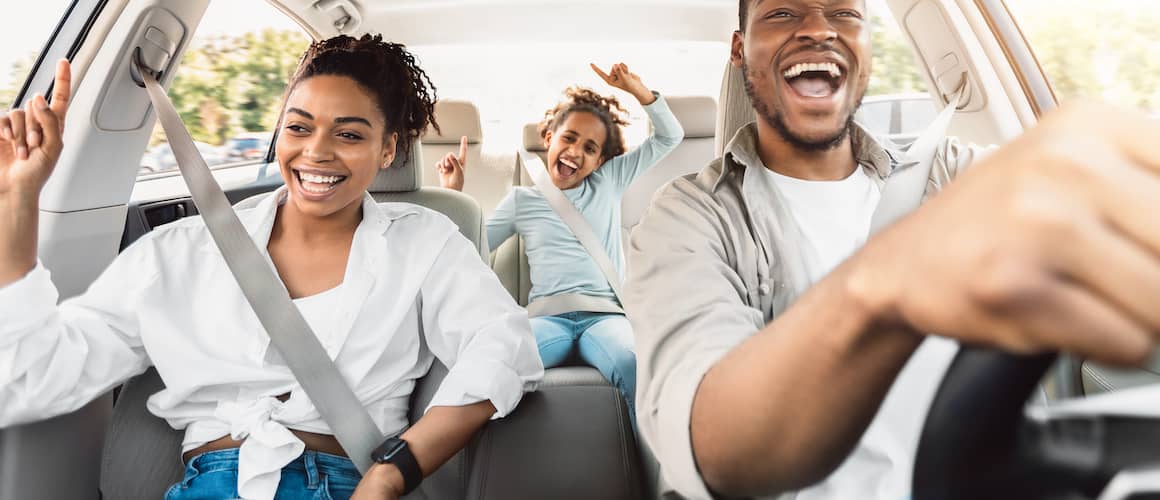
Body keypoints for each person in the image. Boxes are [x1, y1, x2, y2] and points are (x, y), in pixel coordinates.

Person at [625, 1, 1160, 499]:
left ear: (866, 44)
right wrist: (885, 283)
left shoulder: (954, 172)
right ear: (740, 50)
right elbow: (714, 443)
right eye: (784, 12)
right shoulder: (688, 216)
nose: (817, 27)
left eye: (844, 12)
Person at [0, 35, 543, 500]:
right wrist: (20, 200)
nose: (317, 152)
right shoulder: (180, 251)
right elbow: (29, 376)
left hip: (346, 481)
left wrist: (391, 473)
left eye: (350, 134)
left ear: (387, 149)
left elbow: (503, 345)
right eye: (299, 127)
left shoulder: (424, 241)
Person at [437, 63, 684, 423]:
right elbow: (473, 253)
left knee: (634, 362)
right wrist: (454, 197)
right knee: (495, 365)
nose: (575, 152)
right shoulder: (523, 199)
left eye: (590, 148)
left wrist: (639, 91)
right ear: (549, 137)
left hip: (605, 318)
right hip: (547, 320)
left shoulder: (609, 181)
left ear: (601, 160)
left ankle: (664, 468)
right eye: (568, 138)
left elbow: (669, 137)